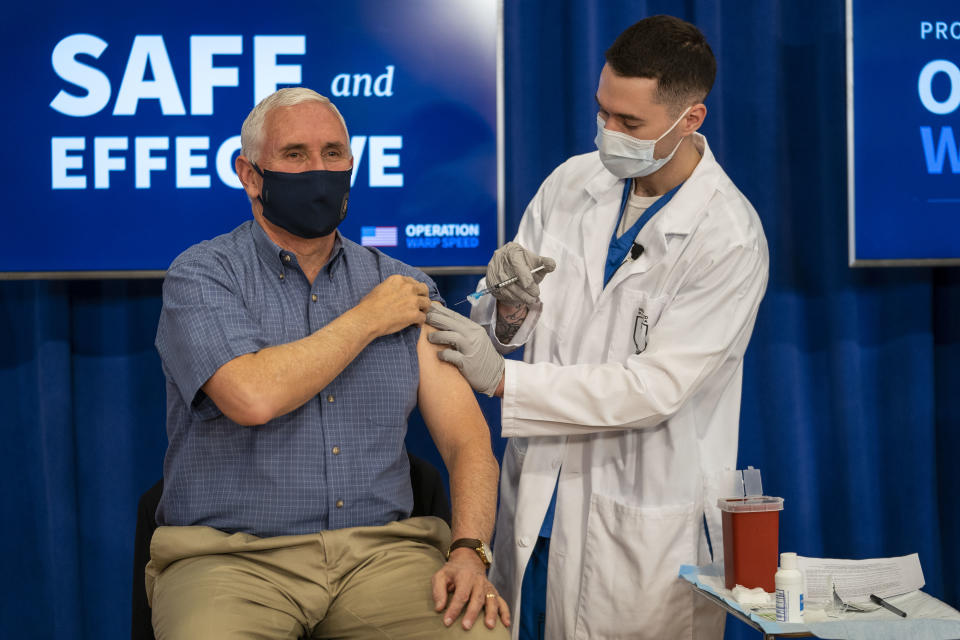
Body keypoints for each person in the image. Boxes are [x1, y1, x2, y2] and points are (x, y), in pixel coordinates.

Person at [425, 15, 769, 640]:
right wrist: (506, 312)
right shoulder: (571, 183)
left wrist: (506, 379)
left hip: (639, 520)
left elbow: (653, 388)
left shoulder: (729, 238)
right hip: (539, 502)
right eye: (602, 112)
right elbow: (511, 327)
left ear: (691, 119)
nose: (608, 133)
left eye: (629, 123)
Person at [148, 87, 510, 639]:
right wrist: (367, 318)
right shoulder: (203, 275)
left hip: (381, 557)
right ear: (250, 175)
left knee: (476, 632)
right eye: (295, 155)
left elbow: (467, 440)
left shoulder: (405, 286)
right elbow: (251, 397)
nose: (319, 170)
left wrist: (469, 553)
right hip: (231, 560)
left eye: (333, 154)